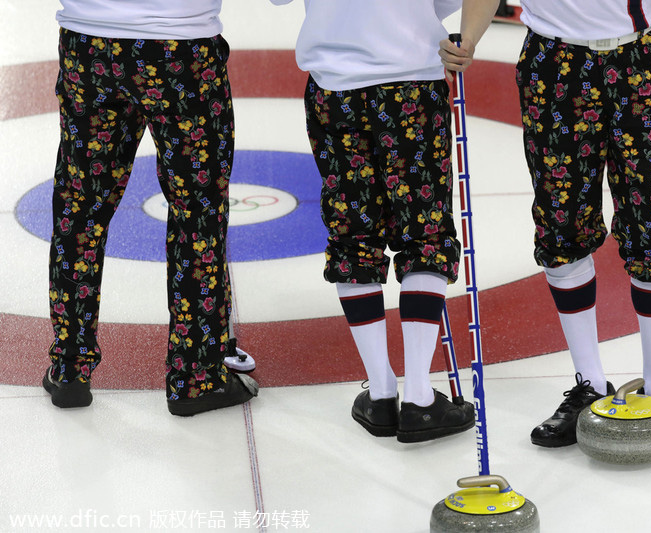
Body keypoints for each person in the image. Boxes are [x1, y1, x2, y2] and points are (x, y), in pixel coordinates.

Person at [441, 0, 651, 453]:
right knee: (561, 223)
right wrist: (469, 39)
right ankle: (588, 384)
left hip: (640, 60)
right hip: (553, 64)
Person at [269, 0, 475, 443]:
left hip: (335, 86)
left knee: (353, 234)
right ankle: (418, 395)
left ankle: (381, 392)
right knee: (425, 232)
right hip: (411, 79)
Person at [44, 0, 258, 416]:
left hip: (89, 44)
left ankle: (69, 368)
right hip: (182, 48)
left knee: (79, 209)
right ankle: (197, 376)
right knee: (198, 215)